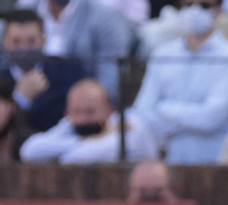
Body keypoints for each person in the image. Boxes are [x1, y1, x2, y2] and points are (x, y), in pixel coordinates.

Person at [131, 0, 228, 163]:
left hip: (216, 163)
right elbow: (142, 112)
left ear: (219, 9)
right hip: (166, 162)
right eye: (188, 5)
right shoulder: (162, 54)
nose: (195, 11)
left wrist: (164, 108)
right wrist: (193, 119)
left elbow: (210, 118)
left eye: (204, 5)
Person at [19, 75, 155, 160]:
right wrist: (93, 138)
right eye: (77, 112)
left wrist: (64, 147)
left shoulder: (129, 122)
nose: (83, 119)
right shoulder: (70, 124)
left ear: (109, 110)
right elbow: (29, 150)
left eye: (90, 111)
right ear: (67, 112)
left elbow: (74, 159)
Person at [4, 9, 88, 137]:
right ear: (5, 43)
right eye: (16, 41)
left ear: (43, 40)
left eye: (31, 41)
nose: (24, 48)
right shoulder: (2, 80)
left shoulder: (69, 71)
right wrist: (19, 99)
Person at [27, 0, 131, 99]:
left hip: (83, 103)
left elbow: (110, 81)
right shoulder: (27, 9)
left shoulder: (104, 16)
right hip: (33, 100)